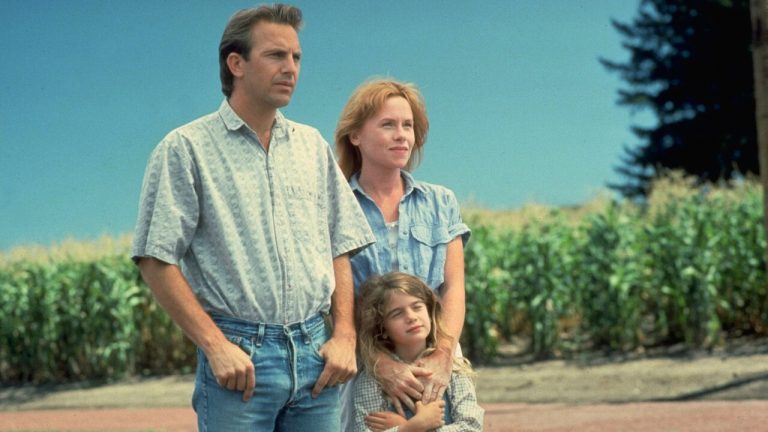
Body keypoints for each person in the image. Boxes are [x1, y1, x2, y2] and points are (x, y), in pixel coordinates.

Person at [131, 4, 374, 431]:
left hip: (318, 358)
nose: (291, 68)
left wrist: (344, 336)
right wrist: (215, 346)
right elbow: (155, 258)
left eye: (296, 57)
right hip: (241, 360)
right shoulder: (186, 149)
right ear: (236, 63)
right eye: (276, 56)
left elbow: (339, 243)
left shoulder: (311, 146)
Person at [335, 78, 471, 429]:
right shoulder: (335, 206)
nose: (402, 136)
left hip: (434, 359)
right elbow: (333, 301)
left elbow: (453, 288)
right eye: (388, 125)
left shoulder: (440, 201)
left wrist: (443, 355)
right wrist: (380, 363)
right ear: (355, 135)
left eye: (408, 126)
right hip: (364, 364)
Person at [354, 272, 483, 431]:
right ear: (382, 328)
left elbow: (472, 427)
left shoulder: (454, 369)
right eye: (397, 313)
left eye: (417, 307)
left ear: (430, 313)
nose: (411, 317)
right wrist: (414, 426)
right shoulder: (372, 379)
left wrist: (407, 427)